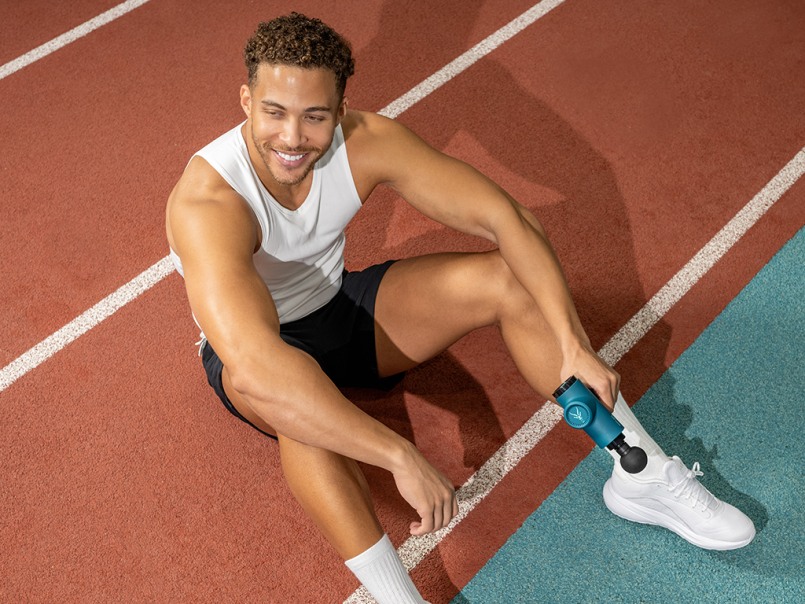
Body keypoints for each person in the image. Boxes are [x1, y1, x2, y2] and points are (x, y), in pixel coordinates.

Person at [165, 13, 755, 603]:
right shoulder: (209, 201)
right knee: (298, 408)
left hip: (339, 311)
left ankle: (640, 470)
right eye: (274, 112)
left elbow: (508, 218)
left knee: (508, 279)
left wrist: (572, 342)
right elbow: (257, 365)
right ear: (246, 100)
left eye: (314, 115)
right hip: (254, 353)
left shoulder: (367, 143)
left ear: (341, 109)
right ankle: (400, 598)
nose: (293, 138)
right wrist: (399, 454)